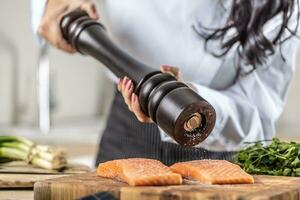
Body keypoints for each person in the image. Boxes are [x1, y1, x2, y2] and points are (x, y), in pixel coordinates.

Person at [32, 0, 300, 165]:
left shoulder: (280, 7)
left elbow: (258, 114)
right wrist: (51, 4)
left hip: (215, 141)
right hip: (128, 127)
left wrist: (191, 98)